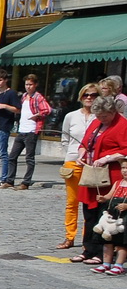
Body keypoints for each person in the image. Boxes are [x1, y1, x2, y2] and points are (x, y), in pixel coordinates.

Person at [76, 80, 127, 266]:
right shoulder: (96, 122)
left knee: (103, 214)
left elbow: (125, 148)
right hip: (92, 175)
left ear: (113, 112)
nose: (102, 119)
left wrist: (107, 157)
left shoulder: (122, 125)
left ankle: (101, 252)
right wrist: (81, 154)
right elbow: (85, 142)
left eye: (105, 116)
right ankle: (88, 249)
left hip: (109, 176)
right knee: (89, 213)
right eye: (99, 116)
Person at [57, 83, 101, 249]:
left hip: (92, 165)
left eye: (93, 95)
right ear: (81, 97)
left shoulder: (100, 117)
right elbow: (65, 139)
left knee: (89, 204)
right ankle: (69, 237)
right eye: (86, 95)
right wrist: (71, 154)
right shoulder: (71, 116)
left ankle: (86, 239)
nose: (89, 98)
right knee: (72, 202)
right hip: (73, 162)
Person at [5, 73, 52, 189]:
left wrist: (37, 115)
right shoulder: (24, 96)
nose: (28, 87)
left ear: (35, 85)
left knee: (29, 158)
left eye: (30, 84)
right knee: (12, 156)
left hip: (31, 130)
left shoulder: (38, 97)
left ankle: (26, 182)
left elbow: (47, 109)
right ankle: (10, 180)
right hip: (22, 130)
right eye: (26, 84)